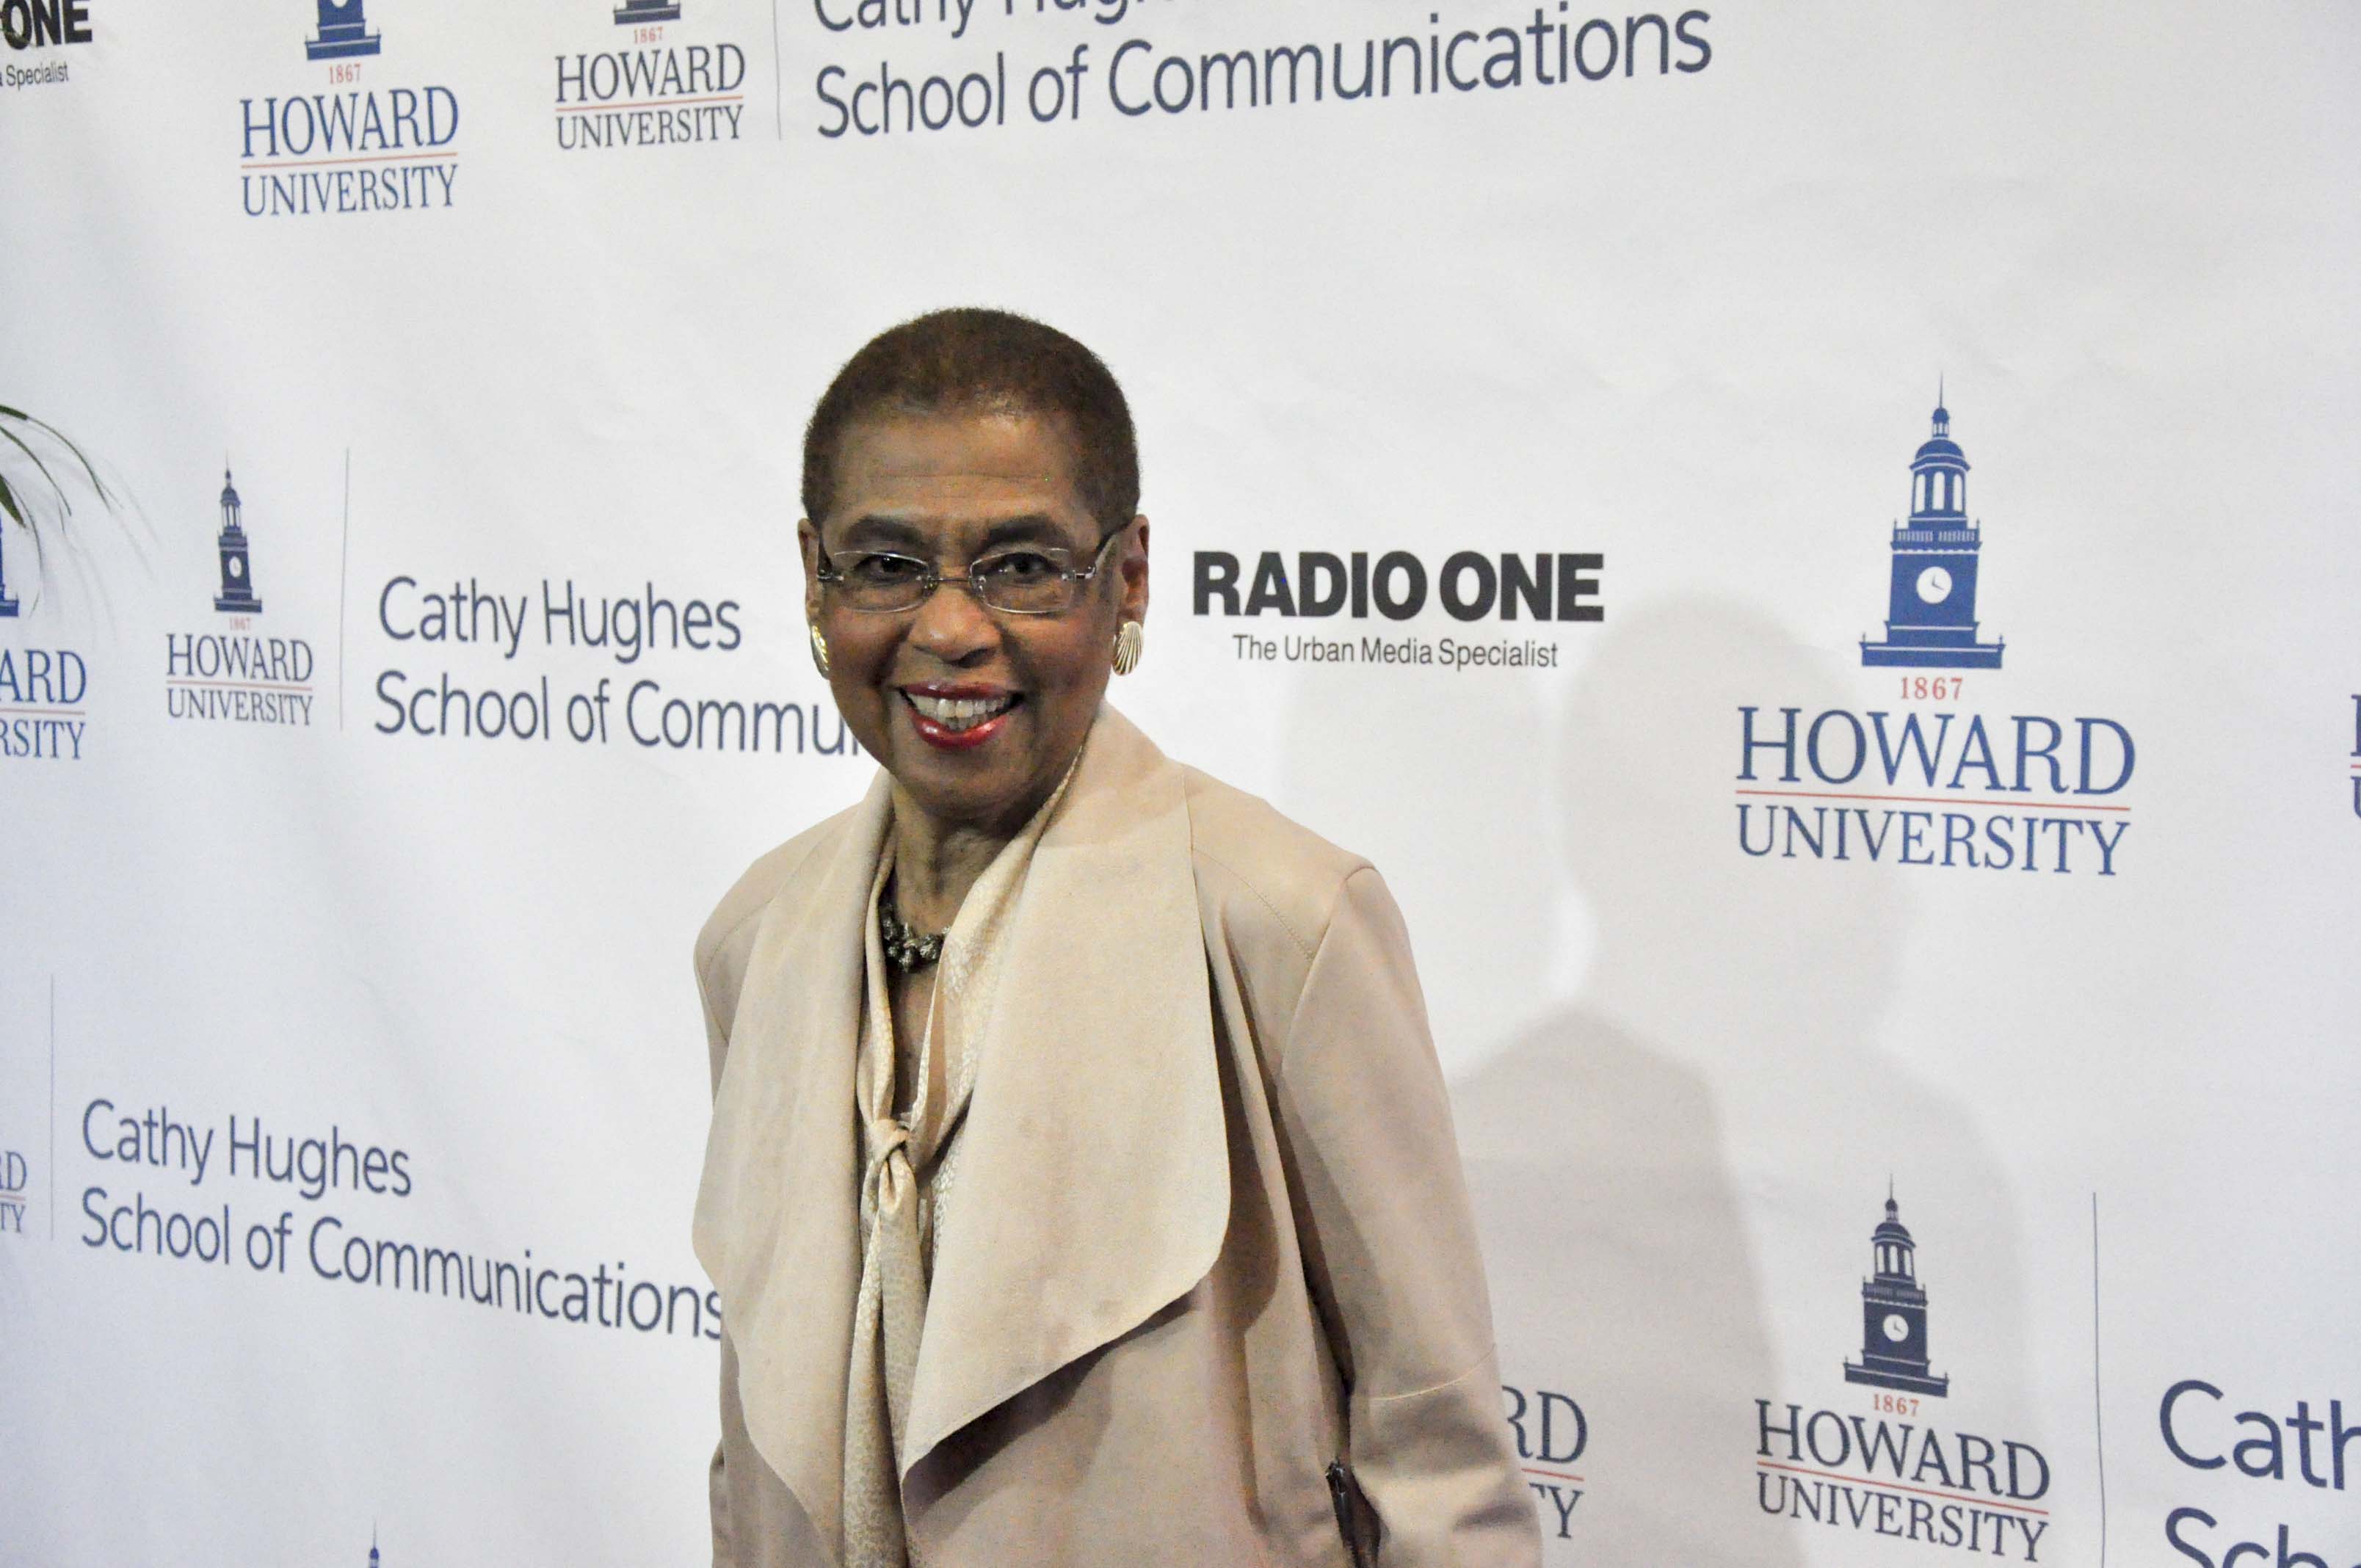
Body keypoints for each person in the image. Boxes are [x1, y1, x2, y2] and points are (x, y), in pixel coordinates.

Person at [691, 308, 1539, 1567]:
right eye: (889, 564)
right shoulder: (757, 938)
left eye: (1022, 565)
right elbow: (759, 1450)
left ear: (1127, 577)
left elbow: (1438, 1461)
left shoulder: (1282, 923)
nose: (951, 628)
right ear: (815, 577)